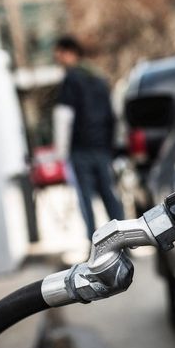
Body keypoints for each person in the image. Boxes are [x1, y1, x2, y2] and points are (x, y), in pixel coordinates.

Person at [52, 36, 124, 241]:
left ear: (69, 52)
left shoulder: (71, 79)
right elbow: (114, 115)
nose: (59, 60)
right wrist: (113, 146)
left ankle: (94, 244)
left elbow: (63, 117)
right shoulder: (99, 78)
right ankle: (124, 241)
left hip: (80, 149)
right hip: (102, 148)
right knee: (110, 196)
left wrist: (61, 152)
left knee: (85, 199)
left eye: (59, 55)